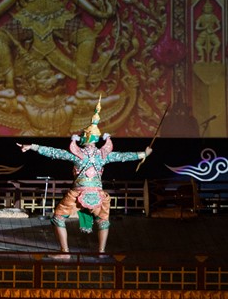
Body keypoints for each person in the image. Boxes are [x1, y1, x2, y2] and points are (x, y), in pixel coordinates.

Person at [17, 102, 152, 256]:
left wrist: (32, 146)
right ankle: (101, 252)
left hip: (77, 194)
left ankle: (65, 252)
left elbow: (54, 152)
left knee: (58, 218)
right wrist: (144, 154)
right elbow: (124, 156)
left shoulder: (77, 154)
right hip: (97, 194)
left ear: (86, 138)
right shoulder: (103, 155)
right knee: (103, 221)